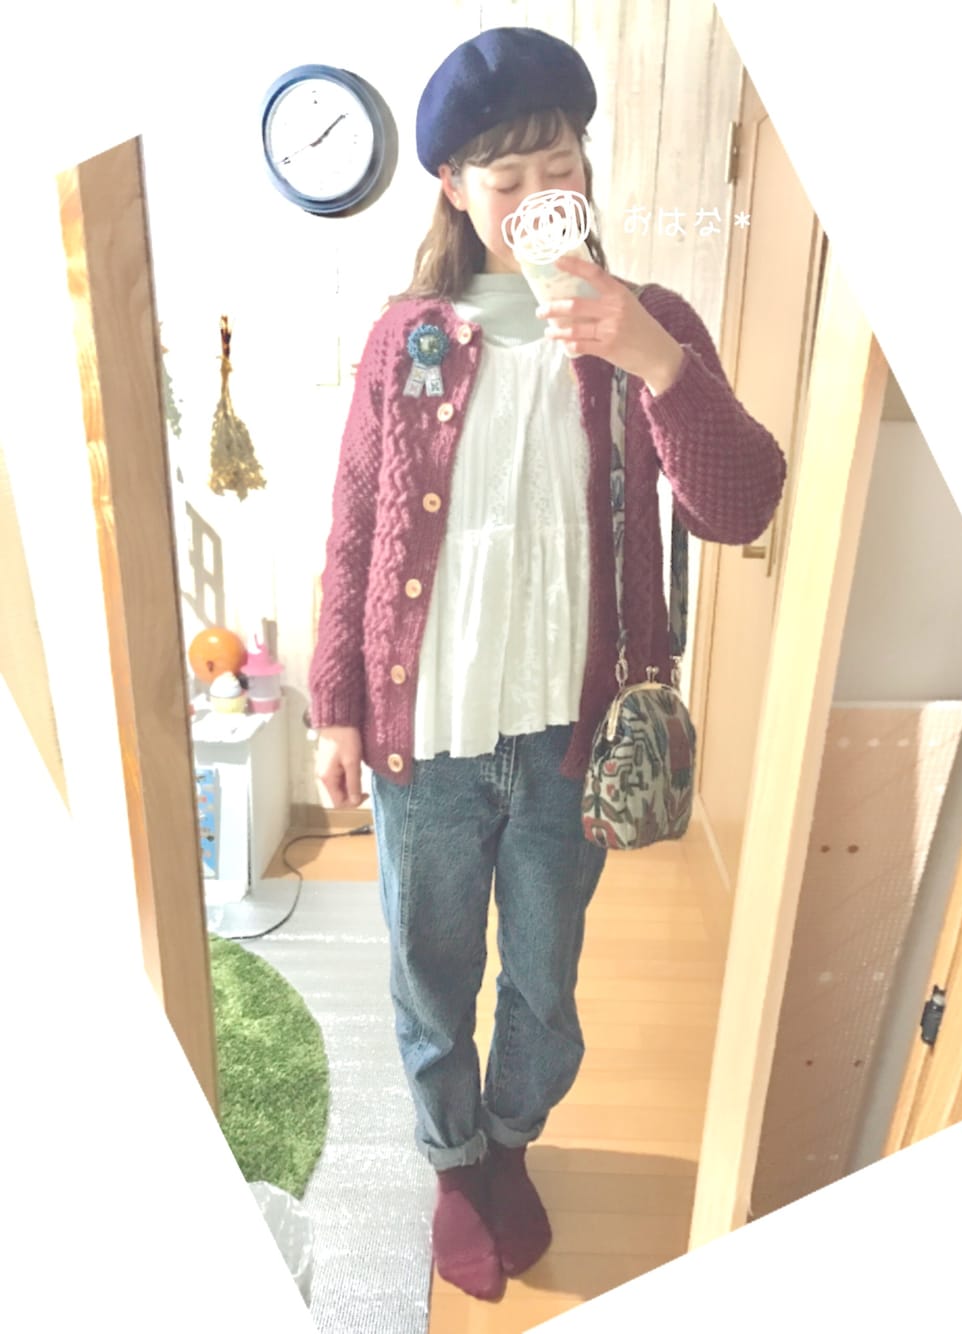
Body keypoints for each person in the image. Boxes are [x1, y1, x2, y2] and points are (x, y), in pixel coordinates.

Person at [308, 26, 787, 1302]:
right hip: (427, 735)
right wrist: (337, 705)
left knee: (542, 973)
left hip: (569, 738)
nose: (533, 196)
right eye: (504, 175)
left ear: (585, 171)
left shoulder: (649, 324)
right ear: (454, 188)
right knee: (428, 968)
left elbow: (742, 504)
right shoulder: (406, 337)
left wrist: (652, 357)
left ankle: (510, 1139)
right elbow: (356, 524)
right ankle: (452, 1161)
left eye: (557, 166)